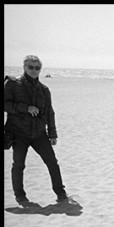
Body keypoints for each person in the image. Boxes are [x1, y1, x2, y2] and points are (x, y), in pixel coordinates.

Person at [4, 55, 69, 204]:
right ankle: (20, 196)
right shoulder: (12, 84)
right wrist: (25, 108)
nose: (34, 70)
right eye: (30, 67)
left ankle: (61, 193)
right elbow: (5, 104)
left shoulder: (44, 90)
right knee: (19, 165)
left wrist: (52, 134)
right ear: (24, 67)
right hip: (19, 133)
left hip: (39, 134)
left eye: (37, 68)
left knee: (52, 162)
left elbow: (50, 112)